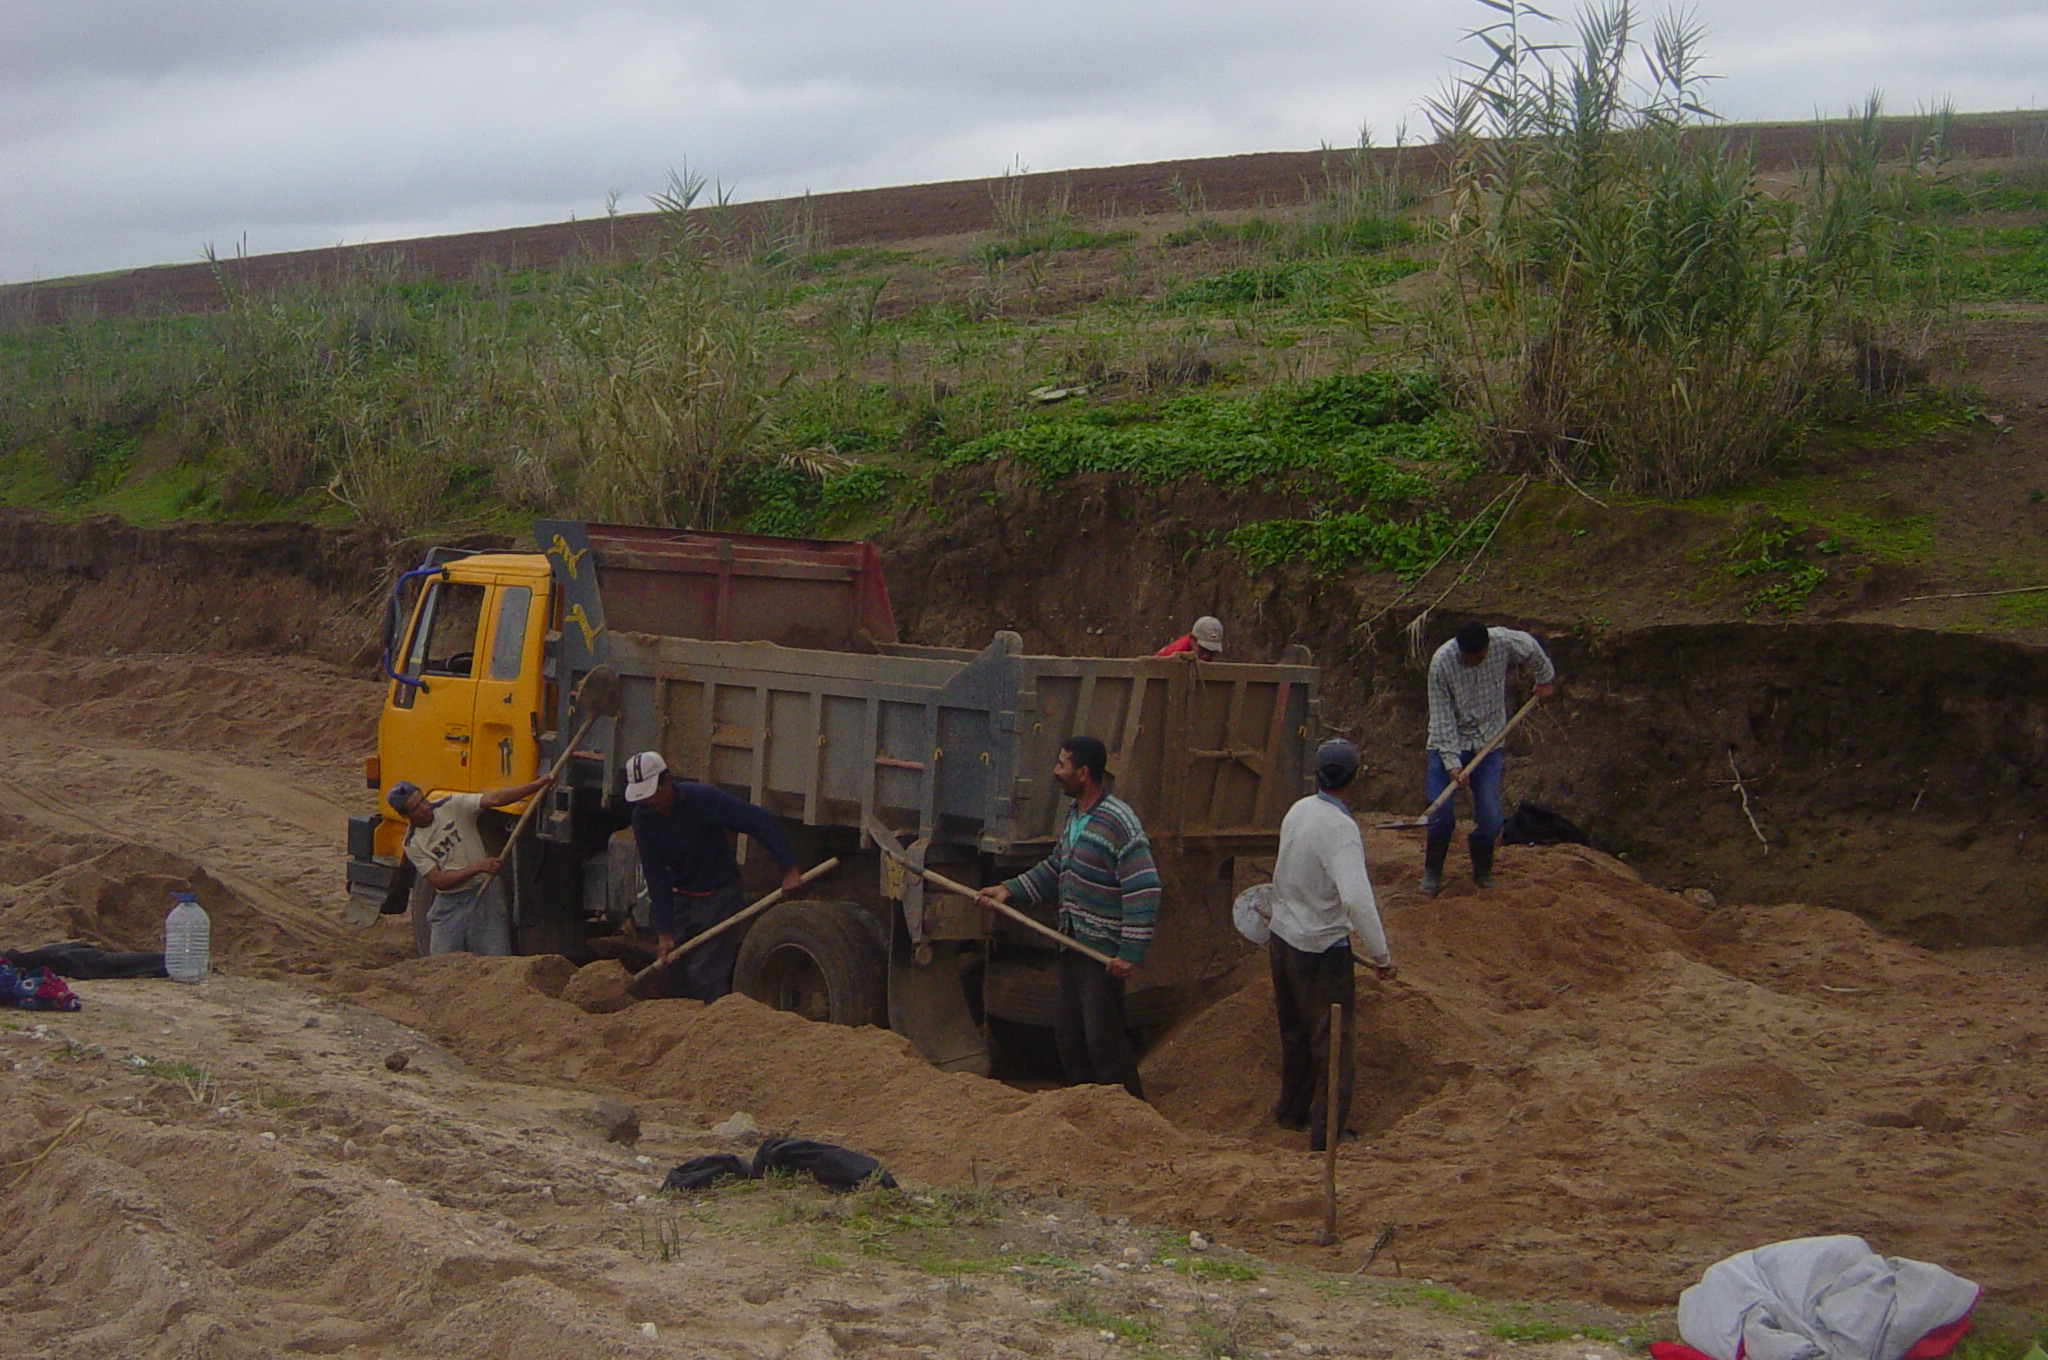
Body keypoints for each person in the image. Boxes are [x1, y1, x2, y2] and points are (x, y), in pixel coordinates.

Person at [979, 735, 1160, 1100]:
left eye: (1062, 765)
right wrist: (1009, 890)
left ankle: (1130, 1111)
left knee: (1102, 1038)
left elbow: (1145, 887)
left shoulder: (1118, 821)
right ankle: (1084, 1105)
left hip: (1101, 949)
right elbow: (1057, 867)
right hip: (1072, 942)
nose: (1055, 772)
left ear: (1084, 773)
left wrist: (1130, 952)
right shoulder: (1074, 816)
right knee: (1069, 1035)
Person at [1263, 739, 1395, 1150]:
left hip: (1283, 939)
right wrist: (1381, 956)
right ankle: (1328, 1133)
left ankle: (1291, 1112)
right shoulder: (1340, 829)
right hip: (1321, 950)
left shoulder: (1298, 811)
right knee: (1334, 1045)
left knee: (1296, 1034)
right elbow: (1356, 899)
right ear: (1354, 778)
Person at [623, 750, 803, 1001]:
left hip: (718, 893)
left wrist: (789, 869)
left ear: (666, 780)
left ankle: (713, 1028)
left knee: (704, 973)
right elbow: (656, 877)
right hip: (681, 895)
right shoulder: (643, 819)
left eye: (651, 793)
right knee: (670, 971)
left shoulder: (702, 800)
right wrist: (664, 932)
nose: (648, 802)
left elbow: (759, 821)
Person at [1423, 620, 1556, 895]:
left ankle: (1481, 870)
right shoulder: (1441, 664)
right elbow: (1441, 717)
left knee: (1492, 819)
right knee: (1440, 815)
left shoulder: (1503, 642)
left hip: (1489, 741)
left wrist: (1545, 679)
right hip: (1450, 741)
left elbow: (1531, 648)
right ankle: (1432, 873)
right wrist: (1452, 764)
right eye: (1468, 658)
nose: (1474, 662)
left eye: (1479, 658)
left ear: (1487, 648)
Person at [391, 773, 555, 956]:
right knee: (440, 964)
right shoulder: (413, 843)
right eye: (416, 808)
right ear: (405, 815)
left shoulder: (451, 804)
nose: (424, 807)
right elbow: (439, 880)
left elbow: (494, 798)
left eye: (422, 800)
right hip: (450, 904)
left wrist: (536, 785)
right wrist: (478, 867)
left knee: (496, 961)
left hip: (483, 895)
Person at [1153, 615, 1224, 660]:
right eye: (1202, 649)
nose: (1206, 656)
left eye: (1212, 651)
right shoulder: (1175, 653)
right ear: (1192, 640)